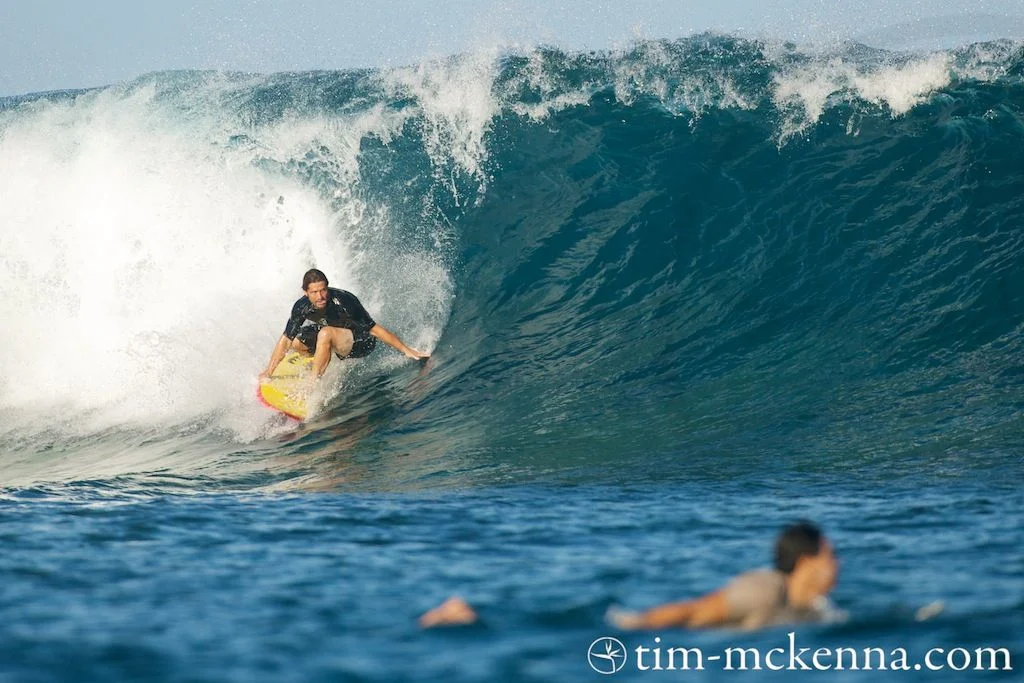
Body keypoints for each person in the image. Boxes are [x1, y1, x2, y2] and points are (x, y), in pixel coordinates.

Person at [606, 521, 839, 630]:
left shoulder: (816, 608)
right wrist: (638, 623)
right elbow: (694, 611)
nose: (837, 564)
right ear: (807, 562)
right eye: (830, 556)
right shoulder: (764, 589)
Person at [260, 268, 429, 381]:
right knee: (295, 341)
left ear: (327, 287)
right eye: (314, 292)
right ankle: (321, 356)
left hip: (360, 343)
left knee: (325, 333)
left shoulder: (344, 300)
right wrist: (269, 371)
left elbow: (375, 330)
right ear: (305, 292)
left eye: (323, 290)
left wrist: (407, 350)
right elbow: (285, 340)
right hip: (333, 334)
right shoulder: (301, 306)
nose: (320, 296)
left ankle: (312, 383)